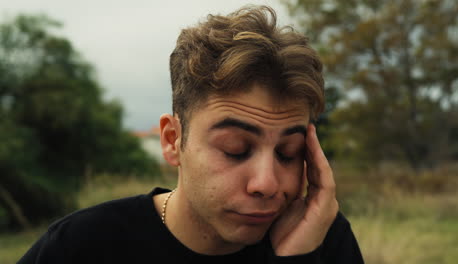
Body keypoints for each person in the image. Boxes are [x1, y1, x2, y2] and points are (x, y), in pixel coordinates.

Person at [19, 5, 364, 264]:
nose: (266, 184)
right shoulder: (83, 247)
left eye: (289, 152)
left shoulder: (321, 239)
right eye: (235, 149)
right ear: (172, 140)